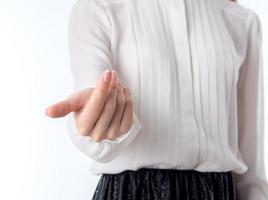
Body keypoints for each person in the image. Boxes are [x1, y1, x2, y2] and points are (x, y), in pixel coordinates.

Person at [45, 0, 268, 199]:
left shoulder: (239, 21)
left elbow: (252, 166)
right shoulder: (98, 10)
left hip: (218, 191)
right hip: (130, 192)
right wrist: (97, 120)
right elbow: (92, 120)